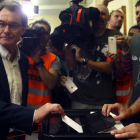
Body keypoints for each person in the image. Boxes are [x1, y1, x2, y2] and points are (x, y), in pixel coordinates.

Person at [0, 1, 65, 140]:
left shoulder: (22, 59)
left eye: (13, 25)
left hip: (19, 132)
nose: (6, 30)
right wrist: (33, 115)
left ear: (23, 30)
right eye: (1, 24)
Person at [65, 4, 123, 109]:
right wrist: (69, 43)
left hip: (104, 101)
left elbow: (109, 68)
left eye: (104, 14)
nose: (100, 17)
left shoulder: (114, 35)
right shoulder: (81, 35)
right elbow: (71, 66)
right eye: (97, 14)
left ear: (109, 17)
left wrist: (83, 60)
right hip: (80, 98)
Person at [26, 19, 61, 110]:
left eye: (44, 32)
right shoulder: (21, 53)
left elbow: (51, 84)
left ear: (49, 36)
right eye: (37, 31)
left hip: (43, 108)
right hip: (22, 107)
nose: (41, 35)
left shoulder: (53, 58)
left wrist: (38, 61)